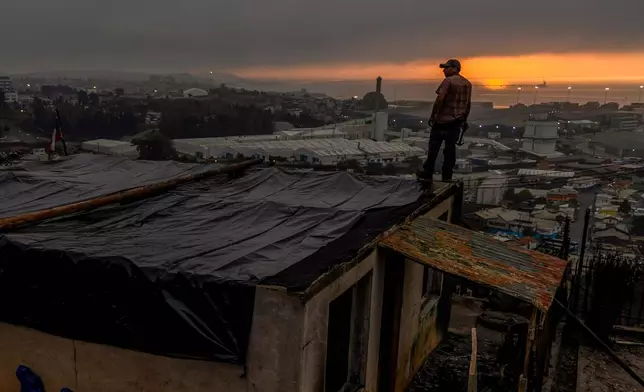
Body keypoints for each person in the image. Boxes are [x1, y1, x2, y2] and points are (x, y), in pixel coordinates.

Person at [418, 59, 472, 183]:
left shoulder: (448, 81)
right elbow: (468, 104)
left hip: (441, 122)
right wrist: (464, 121)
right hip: (456, 123)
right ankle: (447, 176)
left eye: (446, 68)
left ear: (454, 68)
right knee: (450, 150)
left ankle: (427, 173)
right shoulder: (467, 83)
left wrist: (433, 115)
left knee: (433, 149)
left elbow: (440, 99)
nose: (444, 70)